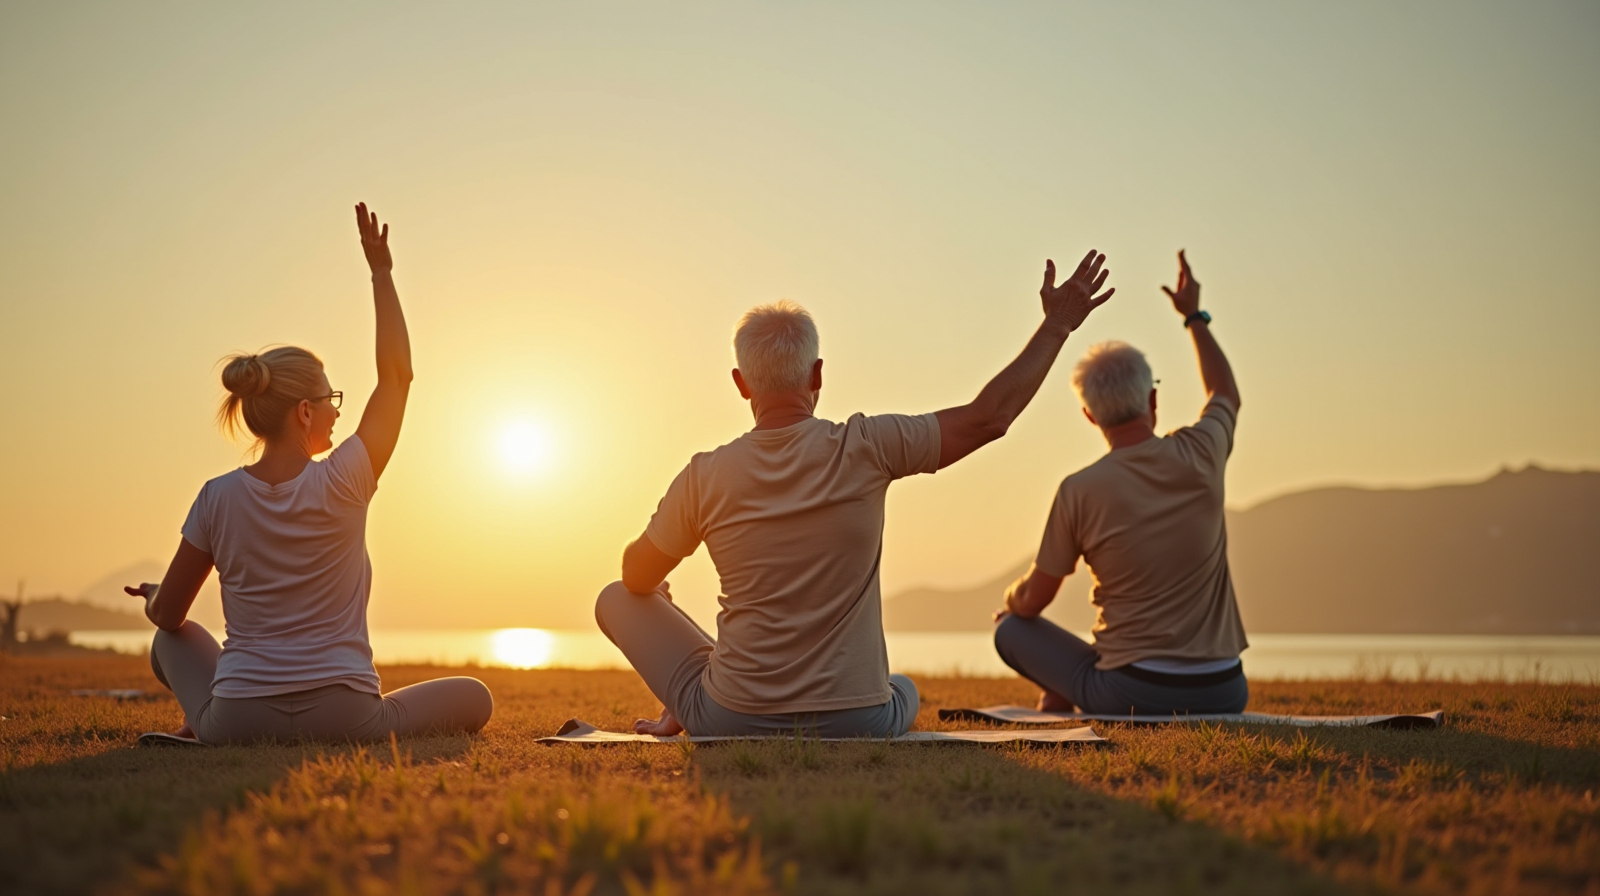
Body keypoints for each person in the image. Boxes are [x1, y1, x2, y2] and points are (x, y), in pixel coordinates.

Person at [596, 251, 1116, 737]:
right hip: (861, 719)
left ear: (741, 383)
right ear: (818, 374)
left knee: (615, 598)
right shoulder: (867, 445)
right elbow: (988, 419)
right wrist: (1057, 325)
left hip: (731, 718)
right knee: (904, 688)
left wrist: (662, 601)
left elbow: (634, 577)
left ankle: (696, 696)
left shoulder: (703, 475)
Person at [125, 204, 493, 744]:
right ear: (304, 411)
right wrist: (382, 273)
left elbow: (170, 615)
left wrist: (159, 594)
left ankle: (199, 727)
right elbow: (396, 377)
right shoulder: (346, 479)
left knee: (169, 643)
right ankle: (201, 725)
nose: (338, 411)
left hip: (239, 721)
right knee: (475, 697)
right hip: (348, 718)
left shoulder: (215, 498)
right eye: (330, 400)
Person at [992, 250, 1249, 716]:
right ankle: (1062, 690)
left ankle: (1061, 691)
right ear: (1153, 398)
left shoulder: (1079, 489)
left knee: (1011, 628)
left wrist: (1011, 600)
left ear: (1089, 415)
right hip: (1224, 689)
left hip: (1132, 695)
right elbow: (1224, 393)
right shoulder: (1202, 452)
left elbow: (1034, 600)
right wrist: (1194, 316)